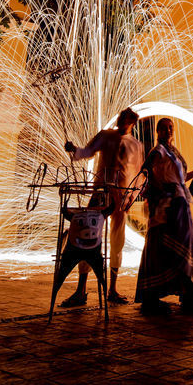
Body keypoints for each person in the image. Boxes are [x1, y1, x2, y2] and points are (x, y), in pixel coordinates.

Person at [60, 106, 145, 306]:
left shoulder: (137, 145)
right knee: (88, 237)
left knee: (117, 242)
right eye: (120, 118)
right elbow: (87, 151)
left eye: (125, 120)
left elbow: (140, 174)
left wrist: (133, 196)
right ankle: (81, 290)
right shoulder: (105, 136)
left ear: (132, 123)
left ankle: (112, 289)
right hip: (99, 193)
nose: (120, 122)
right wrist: (74, 150)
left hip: (121, 197)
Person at [135, 117, 193, 313]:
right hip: (169, 205)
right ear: (157, 132)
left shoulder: (173, 152)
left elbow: (179, 179)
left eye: (170, 127)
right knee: (165, 245)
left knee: (183, 246)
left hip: (180, 203)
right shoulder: (159, 151)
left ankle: (187, 292)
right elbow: (146, 169)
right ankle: (156, 295)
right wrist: (158, 189)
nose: (168, 131)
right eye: (163, 128)